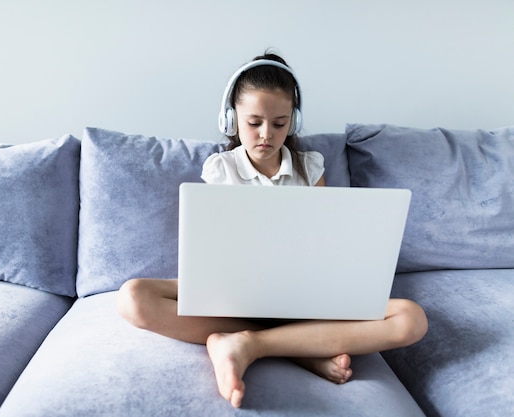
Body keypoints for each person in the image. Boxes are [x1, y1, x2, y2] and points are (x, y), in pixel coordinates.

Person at [116, 51, 428, 409]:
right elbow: (212, 249)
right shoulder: (220, 169)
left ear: (292, 122)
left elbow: (325, 241)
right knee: (132, 296)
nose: (267, 135)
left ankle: (250, 344)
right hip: (233, 297)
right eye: (254, 123)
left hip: (303, 298)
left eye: (279, 124)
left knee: (411, 319)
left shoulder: (309, 169)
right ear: (231, 119)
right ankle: (302, 350)